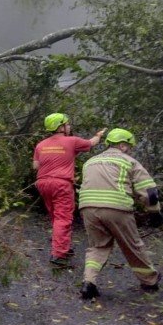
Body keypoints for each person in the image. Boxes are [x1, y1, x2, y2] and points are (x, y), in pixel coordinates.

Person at [78, 128, 162, 300]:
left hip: (88, 208)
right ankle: (149, 281)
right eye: (129, 146)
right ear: (123, 146)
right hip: (116, 208)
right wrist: (154, 212)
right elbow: (150, 192)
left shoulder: (90, 161)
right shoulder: (128, 161)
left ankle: (89, 283)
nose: (130, 150)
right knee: (133, 246)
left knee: (97, 246)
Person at [33, 113, 106, 267]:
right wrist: (98, 135)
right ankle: (59, 254)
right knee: (63, 218)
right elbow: (91, 143)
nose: (69, 126)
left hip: (42, 183)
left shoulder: (40, 145)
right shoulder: (72, 141)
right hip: (61, 184)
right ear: (60, 127)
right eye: (67, 124)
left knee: (55, 215)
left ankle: (62, 245)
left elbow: (36, 166)